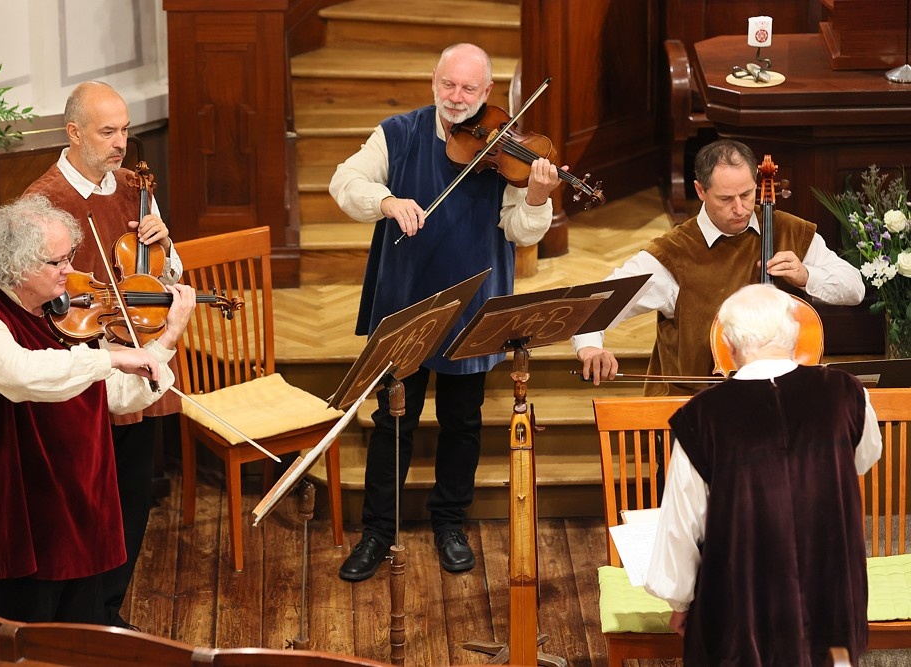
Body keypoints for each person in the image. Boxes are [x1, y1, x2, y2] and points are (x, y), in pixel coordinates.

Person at [328, 43, 561, 581]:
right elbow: (345, 182)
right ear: (434, 82)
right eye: (448, 85)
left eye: (470, 90)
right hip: (405, 301)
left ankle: (449, 523)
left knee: (462, 421)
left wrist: (538, 198)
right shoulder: (398, 133)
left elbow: (521, 232)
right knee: (393, 421)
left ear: (488, 94)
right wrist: (386, 202)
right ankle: (377, 532)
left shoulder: (504, 150)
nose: (457, 99)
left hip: (474, 306)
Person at [0, 196, 196, 624]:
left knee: (82, 633)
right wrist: (112, 358)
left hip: (80, 502)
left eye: (69, 257)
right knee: (32, 639)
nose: (71, 270)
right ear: (19, 265)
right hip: (24, 512)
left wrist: (166, 341)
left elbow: (116, 395)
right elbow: (25, 375)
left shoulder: (64, 316)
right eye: (57, 262)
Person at [643, 283, 882, 665]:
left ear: (729, 343)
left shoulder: (703, 416)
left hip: (742, 611)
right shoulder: (846, 392)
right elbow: (865, 457)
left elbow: (683, 524)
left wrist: (680, 600)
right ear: (794, 332)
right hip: (833, 594)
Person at [23, 80, 183, 627]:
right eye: (108, 131)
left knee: (131, 498)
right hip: (83, 370)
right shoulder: (40, 201)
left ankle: (109, 614)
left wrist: (164, 246)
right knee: (87, 504)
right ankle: (76, 622)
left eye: (126, 130)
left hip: (140, 358)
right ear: (73, 133)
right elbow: (27, 295)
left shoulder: (135, 186)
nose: (122, 143)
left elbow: (170, 276)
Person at [572, 139, 865, 395]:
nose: (739, 208)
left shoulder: (789, 232)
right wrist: (590, 348)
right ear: (700, 190)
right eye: (726, 199)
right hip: (694, 411)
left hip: (785, 401)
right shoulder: (673, 253)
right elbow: (595, 304)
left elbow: (855, 289)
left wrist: (806, 275)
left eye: (747, 195)